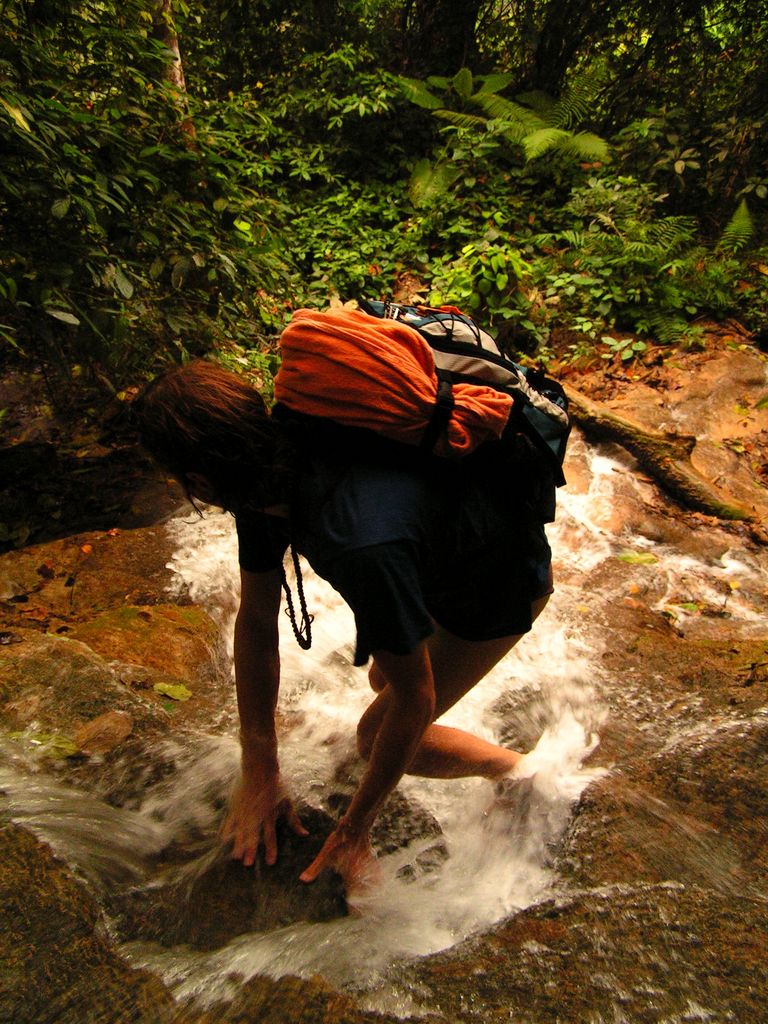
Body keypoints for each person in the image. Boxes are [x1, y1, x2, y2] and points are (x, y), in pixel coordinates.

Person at [133, 358, 553, 894]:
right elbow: (258, 619)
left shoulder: (357, 534)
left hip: (498, 584)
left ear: (198, 483)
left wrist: (354, 832)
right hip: (436, 552)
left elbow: (416, 699)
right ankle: (510, 768)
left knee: (378, 730)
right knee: (386, 682)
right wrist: (259, 764)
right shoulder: (265, 471)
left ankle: (521, 775)